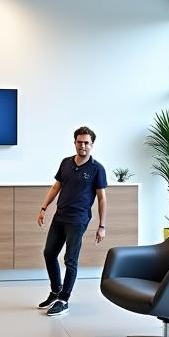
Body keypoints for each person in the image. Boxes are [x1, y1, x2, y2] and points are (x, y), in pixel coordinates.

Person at [36, 126, 108, 316]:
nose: (82, 146)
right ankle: (55, 291)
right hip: (60, 216)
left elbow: (102, 198)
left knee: (70, 260)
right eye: (79, 142)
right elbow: (56, 187)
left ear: (92, 145)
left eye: (86, 143)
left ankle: (64, 299)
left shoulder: (96, 169)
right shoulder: (66, 163)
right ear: (74, 142)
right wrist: (44, 208)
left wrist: (102, 226)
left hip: (78, 219)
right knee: (49, 253)